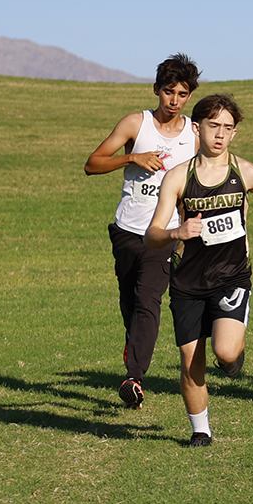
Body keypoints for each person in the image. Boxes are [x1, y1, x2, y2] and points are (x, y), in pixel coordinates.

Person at [145, 94, 253, 447]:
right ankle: (201, 430)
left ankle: (234, 352)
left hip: (231, 276)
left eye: (228, 128)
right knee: (189, 361)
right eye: (214, 126)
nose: (221, 135)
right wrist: (175, 232)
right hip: (186, 282)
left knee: (226, 353)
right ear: (197, 128)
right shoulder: (177, 177)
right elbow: (152, 236)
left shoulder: (246, 172)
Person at [84, 53, 201, 409]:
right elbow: (92, 164)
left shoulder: (193, 135)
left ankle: (134, 377)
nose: (174, 101)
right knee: (130, 302)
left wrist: (185, 233)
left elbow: (197, 184)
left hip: (164, 234)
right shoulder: (136, 124)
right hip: (126, 231)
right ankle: (132, 342)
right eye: (168, 92)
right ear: (156, 90)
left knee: (149, 301)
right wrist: (132, 157)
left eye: (182, 94)